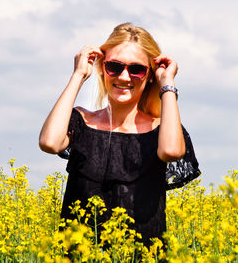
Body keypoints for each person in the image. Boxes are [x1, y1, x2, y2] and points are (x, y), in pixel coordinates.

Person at [39, 22, 200, 246]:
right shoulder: (81, 121)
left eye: (136, 69)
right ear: (102, 68)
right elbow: (49, 142)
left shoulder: (161, 129)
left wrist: (167, 83)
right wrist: (78, 75)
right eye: (114, 66)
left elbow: (171, 151)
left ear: (150, 75)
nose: (124, 77)